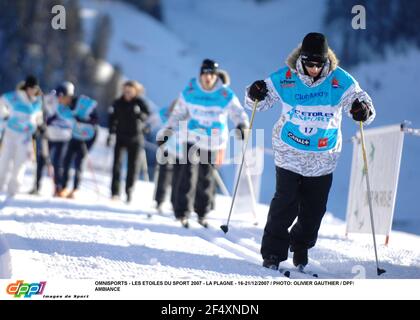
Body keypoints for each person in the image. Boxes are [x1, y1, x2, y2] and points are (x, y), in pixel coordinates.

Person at [245, 32, 376, 270]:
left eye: (319, 64)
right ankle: (273, 253)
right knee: (285, 204)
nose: (314, 69)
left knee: (314, 210)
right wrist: (254, 93)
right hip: (289, 153)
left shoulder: (340, 80)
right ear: (302, 59)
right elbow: (259, 103)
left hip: (323, 159)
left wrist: (363, 110)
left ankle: (301, 245)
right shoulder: (285, 78)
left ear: (326, 60)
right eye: (310, 63)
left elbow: (362, 104)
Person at [158, 59, 249, 228]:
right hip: (191, 138)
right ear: (201, 75)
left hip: (213, 141)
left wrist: (242, 125)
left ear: (216, 76)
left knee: (206, 177)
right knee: (187, 174)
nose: (209, 78)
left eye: (212, 74)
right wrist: (167, 130)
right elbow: (178, 113)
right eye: (206, 74)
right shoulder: (190, 91)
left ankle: (202, 213)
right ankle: (182, 212)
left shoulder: (224, 94)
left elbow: (237, 112)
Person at [107, 81, 151, 203]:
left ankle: (129, 191)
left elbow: (148, 118)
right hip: (120, 137)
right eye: (125, 90)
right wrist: (110, 133)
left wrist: (140, 114)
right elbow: (112, 119)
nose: (127, 93)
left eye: (130, 91)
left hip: (136, 138)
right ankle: (115, 192)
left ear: (135, 91)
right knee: (117, 165)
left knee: (133, 167)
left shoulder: (140, 103)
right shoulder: (118, 102)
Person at [0, 75, 43, 197]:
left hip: (25, 136)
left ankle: (13, 189)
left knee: (20, 163)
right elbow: (2, 101)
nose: (31, 90)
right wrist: (4, 115)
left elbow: (38, 116)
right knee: (4, 160)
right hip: (10, 133)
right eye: (29, 87)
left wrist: (40, 125)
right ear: (25, 87)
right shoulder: (16, 96)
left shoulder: (37, 101)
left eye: (34, 88)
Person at [30, 82, 76, 196]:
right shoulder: (50, 99)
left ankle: (58, 188)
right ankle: (36, 186)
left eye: (66, 97)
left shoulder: (72, 105)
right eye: (61, 96)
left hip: (63, 137)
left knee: (58, 162)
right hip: (48, 135)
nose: (63, 99)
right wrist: (40, 125)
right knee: (41, 160)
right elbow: (39, 108)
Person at [59, 93, 98, 199]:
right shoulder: (66, 107)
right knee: (66, 160)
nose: (60, 101)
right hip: (76, 134)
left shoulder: (83, 103)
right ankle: (63, 187)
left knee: (79, 161)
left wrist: (83, 120)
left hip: (88, 136)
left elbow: (95, 119)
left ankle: (76, 189)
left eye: (62, 98)